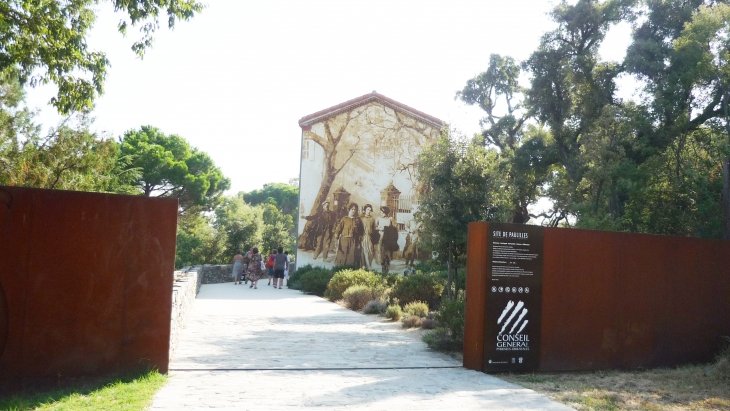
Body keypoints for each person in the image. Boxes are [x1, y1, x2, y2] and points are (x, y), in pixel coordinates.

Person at [334, 202, 364, 266]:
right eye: (352, 209)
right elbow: (338, 229)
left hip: (353, 240)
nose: (353, 211)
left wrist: (359, 241)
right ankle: (340, 269)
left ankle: (349, 270)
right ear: (349, 210)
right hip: (344, 240)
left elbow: (361, 231)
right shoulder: (344, 219)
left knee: (351, 256)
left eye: (355, 209)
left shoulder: (358, 220)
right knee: (342, 255)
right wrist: (336, 239)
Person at [376, 206, 398, 274]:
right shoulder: (378, 219)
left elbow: (395, 228)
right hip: (381, 238)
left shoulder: (391, 219)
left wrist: (386, 228)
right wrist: (379, 229)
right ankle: (383, 268)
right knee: (382, 252)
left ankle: (387, 267)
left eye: (382, 212)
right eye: (381, 212)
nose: (381, 213)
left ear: (386, 212)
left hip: (388, 239)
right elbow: (375, 227)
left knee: (388, 253)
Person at [360, 204, 377, 270]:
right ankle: (365, 266)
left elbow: (374, 228)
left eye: (370, 210)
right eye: (367, 209)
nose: (369, 211)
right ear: (364, 210)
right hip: (363, 237)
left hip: (369, 237)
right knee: (364, 251)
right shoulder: (361, 218)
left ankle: (368, 265)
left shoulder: (372, 219)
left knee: (370, 252)